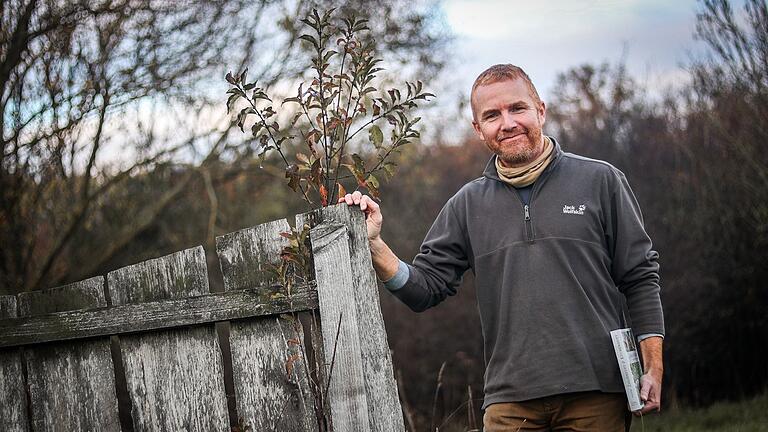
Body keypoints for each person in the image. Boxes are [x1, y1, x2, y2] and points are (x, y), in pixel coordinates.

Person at [339, 64, 664, 431]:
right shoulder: (467, 205)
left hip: (596, 393)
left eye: (517, 109)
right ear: (479, 129)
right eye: (492, 115)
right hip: (509, 402)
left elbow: (640, 277)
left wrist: (653, 365)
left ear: (540, 110)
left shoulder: (601, 181)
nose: (507, 123)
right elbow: (424, 290)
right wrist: (375, 246)